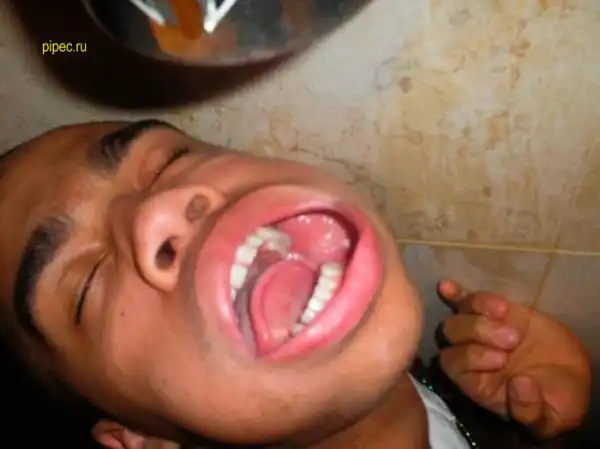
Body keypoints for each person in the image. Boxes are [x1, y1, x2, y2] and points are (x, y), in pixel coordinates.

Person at [0, 120, 591, 449]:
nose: (158, 209)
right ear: (140, 439)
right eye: (85, 286)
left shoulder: (386, 384)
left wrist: (531, 430)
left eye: (167, 161)